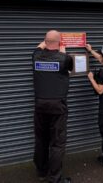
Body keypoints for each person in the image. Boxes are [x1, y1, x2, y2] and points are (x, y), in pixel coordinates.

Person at [32, 30, 73, 183]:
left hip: (40, 105)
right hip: (58, 106)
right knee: (57, 143)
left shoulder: (36, 56)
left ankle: (41, 171)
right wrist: (62, 49)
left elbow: (40, 46)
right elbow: (69, 67)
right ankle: (54, 178)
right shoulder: (65, 59)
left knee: (41, 139)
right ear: (59, 42)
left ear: (45, 41)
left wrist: (47, 42)